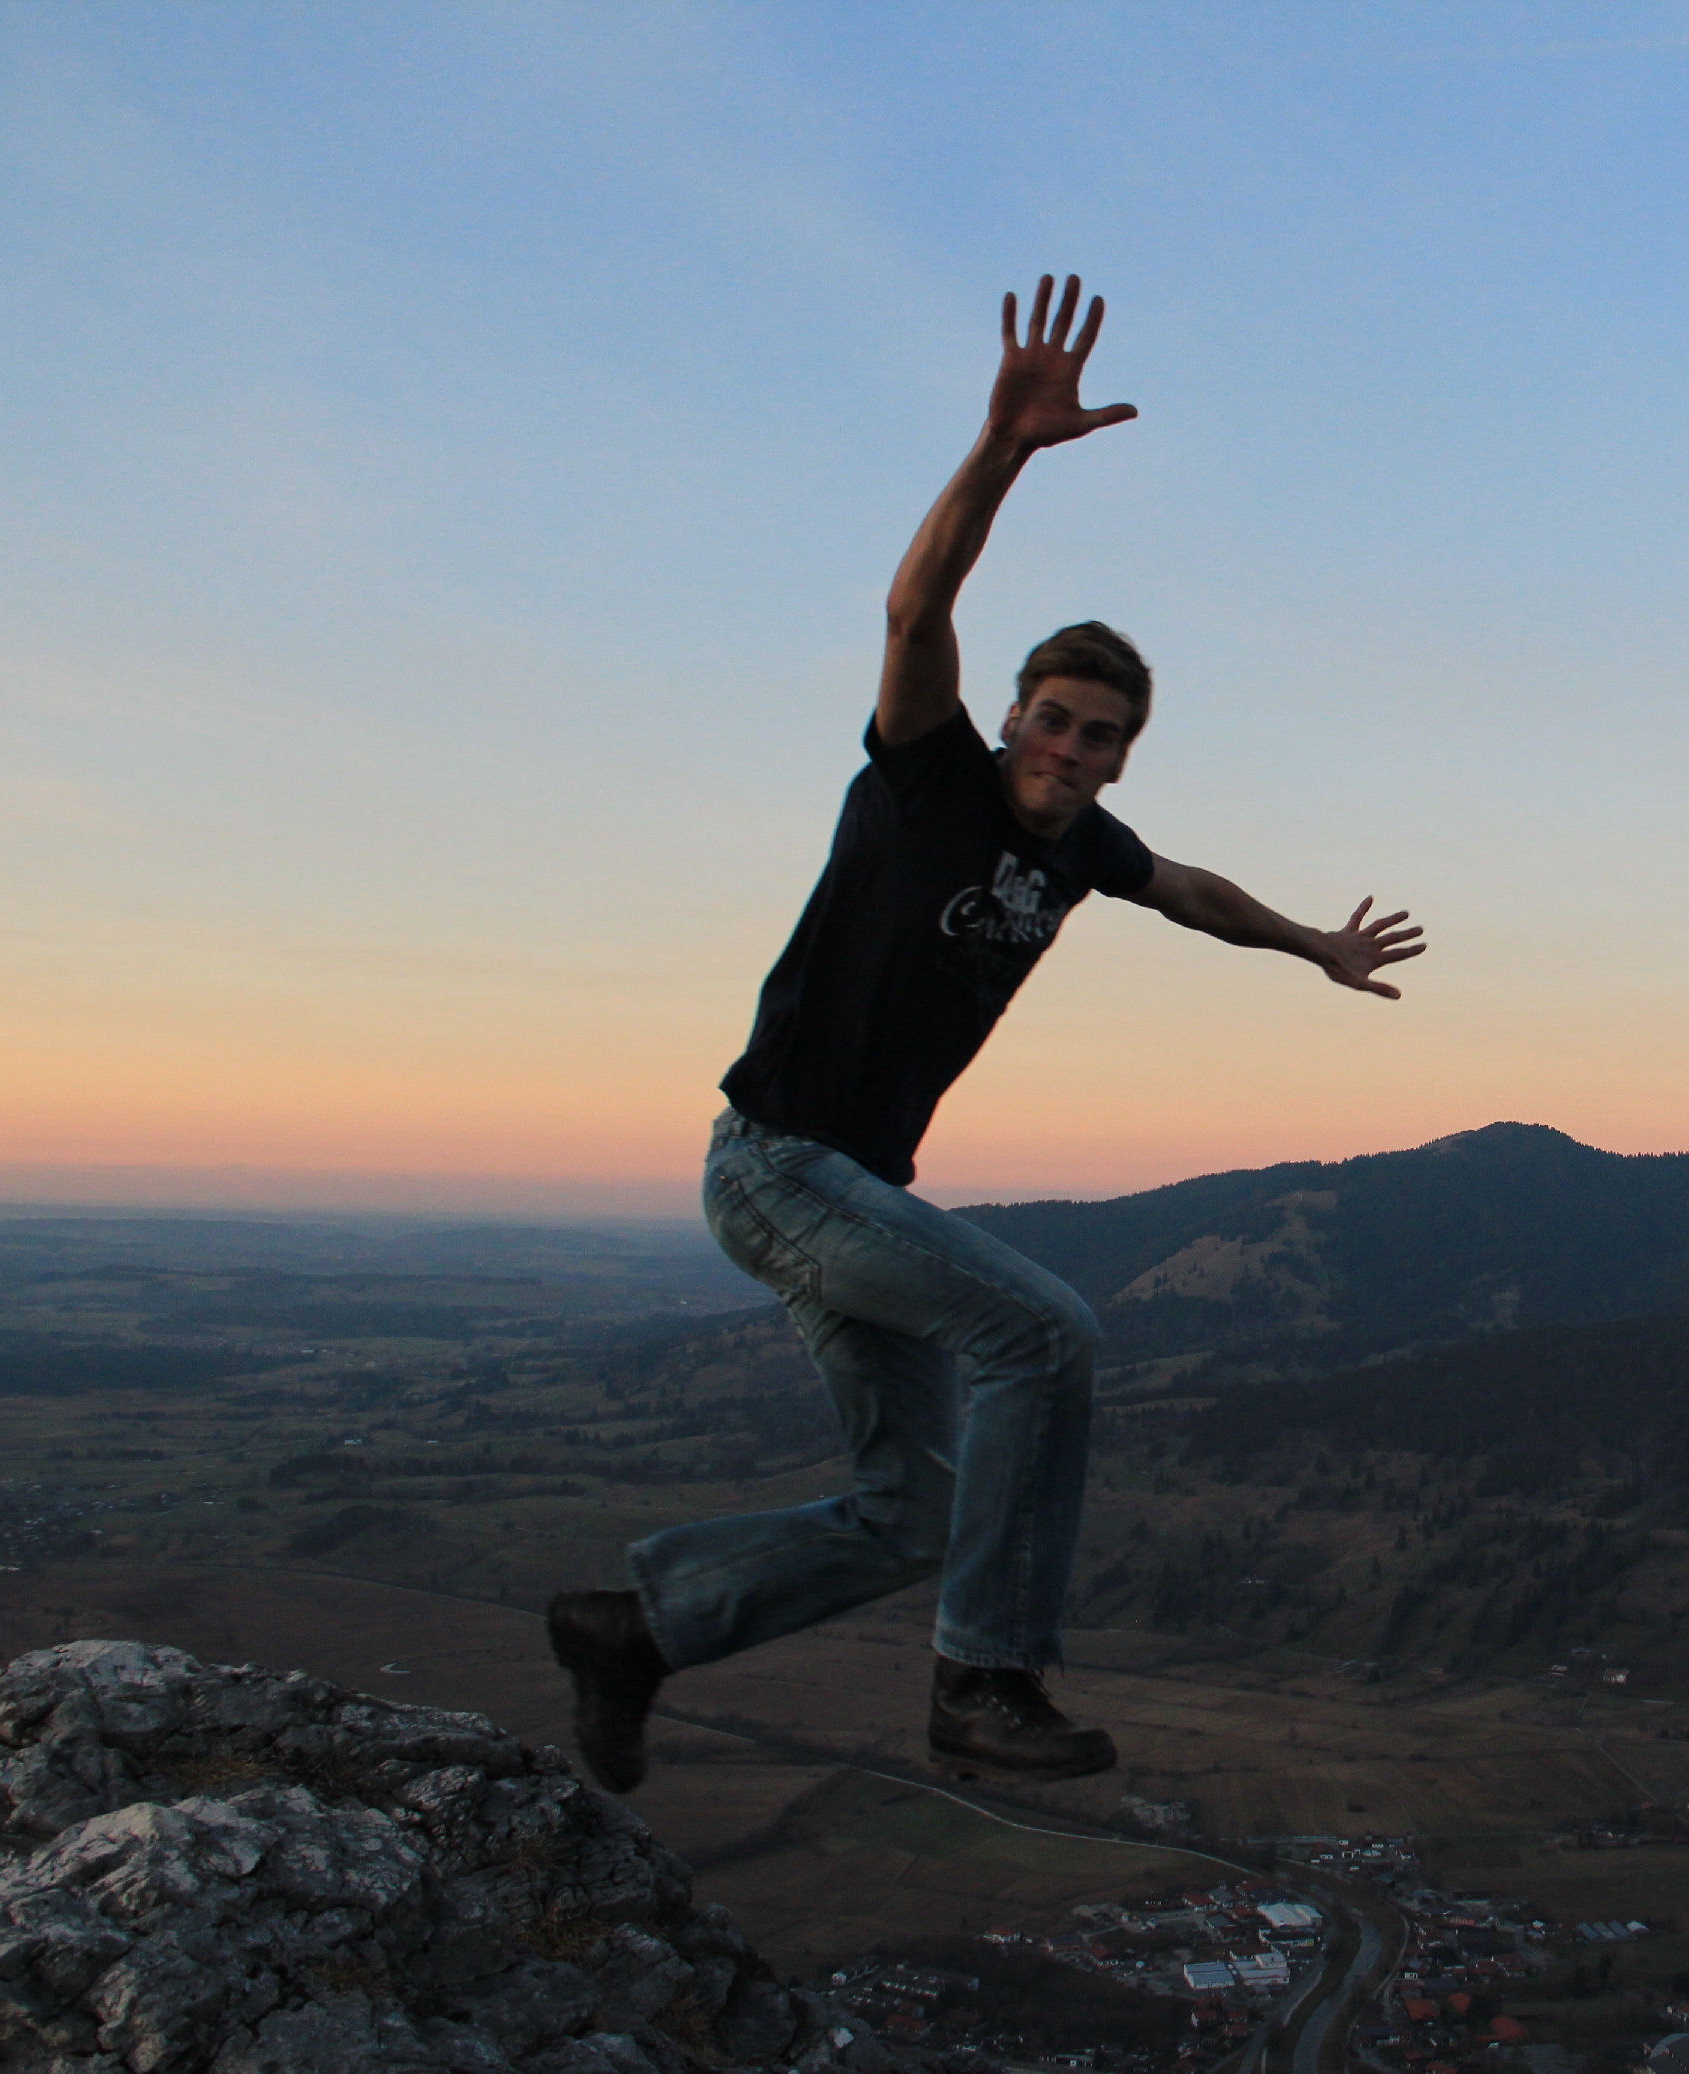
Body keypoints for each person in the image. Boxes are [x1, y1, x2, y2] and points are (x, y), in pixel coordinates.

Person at [548, 276, 1425, 1792]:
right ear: (1012, 712)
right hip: (778, 1164)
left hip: (856, 1193)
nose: (1070, 750)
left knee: (913, 1509)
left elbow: (1189, 889)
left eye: (1101, 737)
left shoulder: (1081, 843)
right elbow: (914, 606)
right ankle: (985, 1677)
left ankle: (637, 1629)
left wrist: (1311, 950)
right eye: (1055, 717)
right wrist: (1005, 446)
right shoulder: (924, 775)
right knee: (1042, 1330)